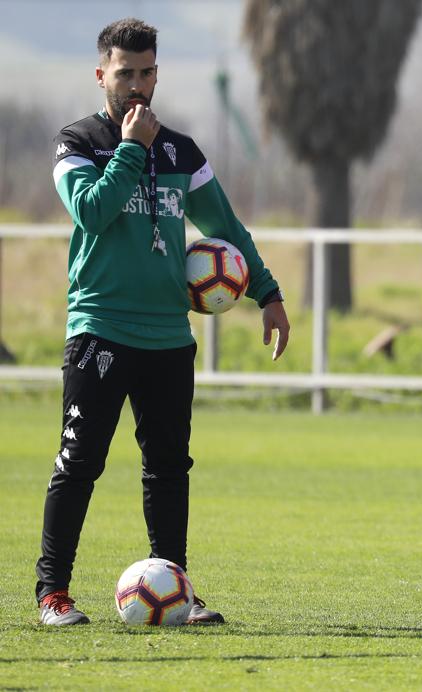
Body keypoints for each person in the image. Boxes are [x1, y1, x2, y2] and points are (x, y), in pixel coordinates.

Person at [38, 18, 290, 626]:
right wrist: (132, 148)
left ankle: (174, 586)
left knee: (169, 469)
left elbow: (225, 227)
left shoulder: (182, 151)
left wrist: (268, 292)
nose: (138, 86)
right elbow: (92, 213)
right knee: (79, 462)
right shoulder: (76, 142)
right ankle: (53, 594)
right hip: (99, 329)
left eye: (147, 72)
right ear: (102, 75)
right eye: (125, 73)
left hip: (169, 339)